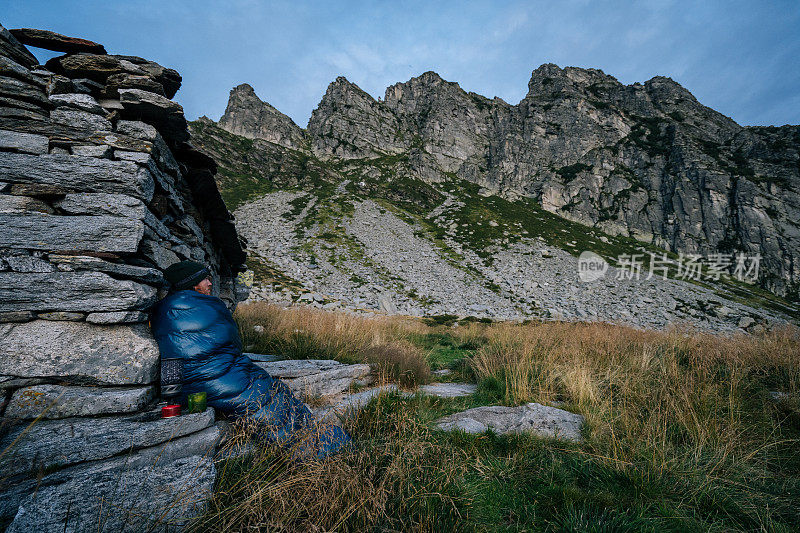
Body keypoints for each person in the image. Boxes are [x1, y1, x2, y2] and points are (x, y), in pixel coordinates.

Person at [150, 260, 350, 459]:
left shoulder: (162, 309)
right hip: (215, 378)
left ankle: (311, 435)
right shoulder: (210, 306)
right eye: (205, 279)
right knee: (262, 395)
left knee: (268, 386)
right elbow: (233, 343)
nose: (210, 283)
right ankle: (313, 450)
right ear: (192, 284)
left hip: (190, 383)